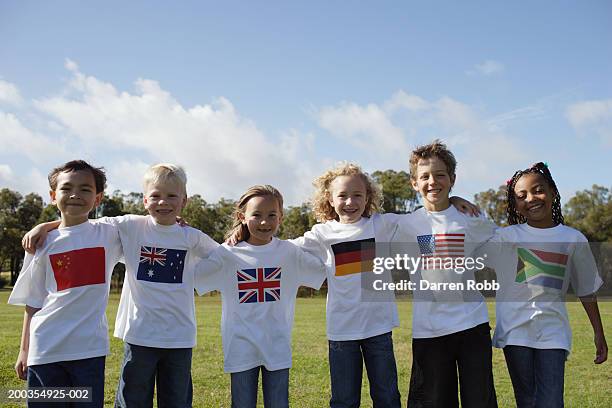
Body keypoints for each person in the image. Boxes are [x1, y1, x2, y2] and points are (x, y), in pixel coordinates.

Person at [22, 163, 218, 408]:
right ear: (145, 200)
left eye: (171, 196)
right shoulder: (128, 226)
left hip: (157, 339)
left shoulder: (187, 236)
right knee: (131, 398)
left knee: (174, 399)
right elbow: (77, 224)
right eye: (156, 196)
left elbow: (221, 258)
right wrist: (45, 226)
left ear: (184, 201)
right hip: (118, 336)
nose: (163, 202)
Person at [292, 162, 479, 408]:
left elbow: (425, 217)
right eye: (343, 196)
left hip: (378, 330)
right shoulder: (322, 234)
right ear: (329, 198)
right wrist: (247, 234)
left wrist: (452, 199)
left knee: (387, 397)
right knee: (344, 400)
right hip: (341, 332)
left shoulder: (382, 225)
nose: (350, 202)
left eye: (357, 195)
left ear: (368, 196)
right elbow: (283, 250)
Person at [488, 162, 607, 407]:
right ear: (516, 205)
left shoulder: (573, 239)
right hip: (515, 332)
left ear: (552, 192)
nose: (531, 198)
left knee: (552, 402)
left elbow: (586, 289)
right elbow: (469, 241)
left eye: (538, 190)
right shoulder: (506, 237)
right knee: (527, 401)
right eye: (522, 196)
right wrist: (456, 200)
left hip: (554, 332)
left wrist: (599, 333)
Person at [195, 185, 326, 408]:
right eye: (256, 215)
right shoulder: (227, 254)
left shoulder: (289, 252)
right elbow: (192, 275)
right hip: (240, 346)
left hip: (277, 345)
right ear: (242, 217)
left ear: (281, 217)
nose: (264, 222)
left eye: (271, 215)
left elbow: (327, 268)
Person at [9, 160, 123, 407]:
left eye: (85, 189)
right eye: (66, 188)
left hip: (89, 351)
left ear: (98, 198)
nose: (75, 194)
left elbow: (152, 225)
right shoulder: (41, 244)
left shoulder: (109, 233)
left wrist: (175, 220)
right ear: (52, 196)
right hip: (45, 349)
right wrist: (24, 350)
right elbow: (34, 301)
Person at [399, 140, 498, 408]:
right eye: (425, 176)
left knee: (479, 399)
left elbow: (501, 243)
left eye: (440, 175)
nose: (433, 181)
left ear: (452, 179)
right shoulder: (406, 225)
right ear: (414, 183)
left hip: (472, 325)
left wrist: (454, 202)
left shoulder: (471, 218)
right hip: (429, 331)